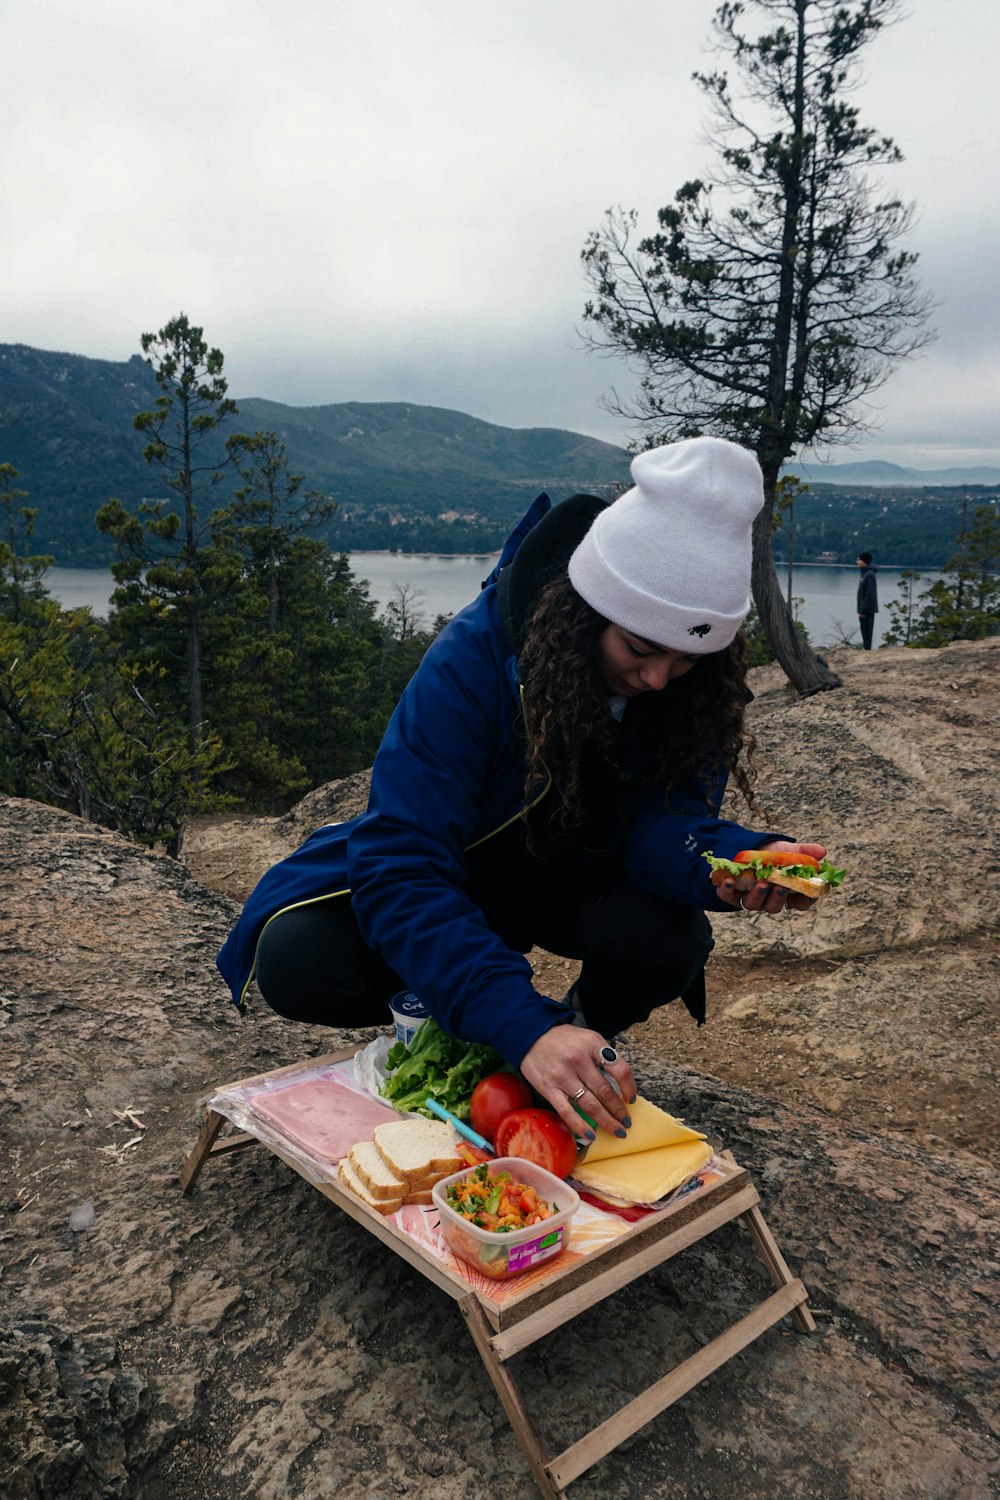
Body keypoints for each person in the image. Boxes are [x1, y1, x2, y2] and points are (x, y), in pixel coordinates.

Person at [217, 437, 828, 1144]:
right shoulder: (473, 659)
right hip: (465, 874)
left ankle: (575, 1047)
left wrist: (723, 860)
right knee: (297, 961)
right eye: (639, 648)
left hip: (573, 876)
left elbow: (668, 820)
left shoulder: (696, 695)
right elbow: (402, 864)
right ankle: (485, 1031)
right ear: (588, 610)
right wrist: (513, 1017)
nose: (659, 678)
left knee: (666, 940)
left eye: (687, 659)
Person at [856, 551, 879, 649]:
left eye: (859, 559)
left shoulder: (869, 575)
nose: (857, 562)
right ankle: (866, 649)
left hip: (867, 610)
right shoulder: (864, 574)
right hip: (864, 609)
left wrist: (862, 610)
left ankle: (867, 651)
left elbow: (869, 594)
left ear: (864, 561)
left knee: (867, 633)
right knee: (864, 632)